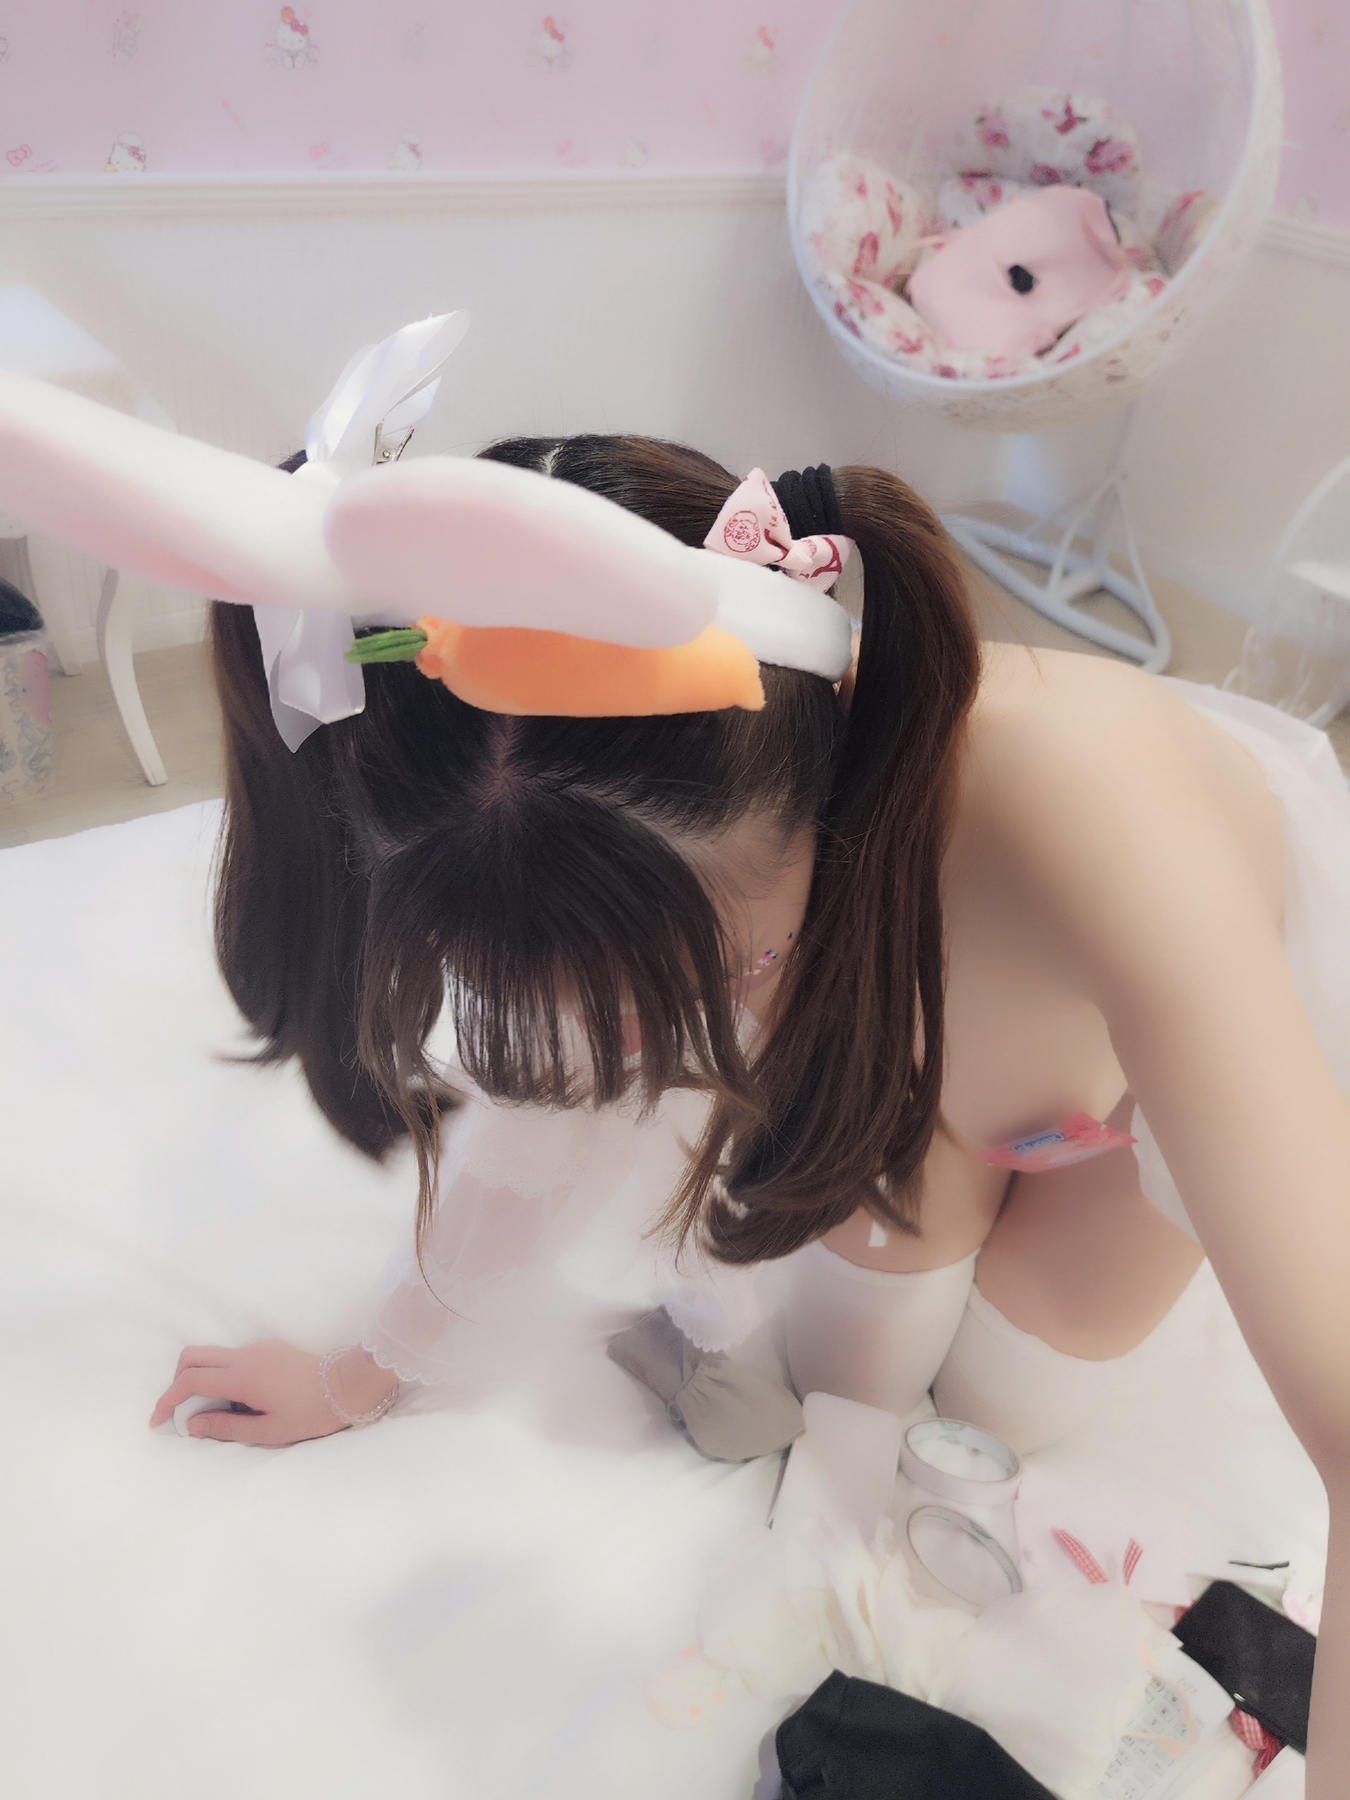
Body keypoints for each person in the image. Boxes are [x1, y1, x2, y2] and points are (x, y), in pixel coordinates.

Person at [0, 357, 1347, 1779]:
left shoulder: (1102, 819)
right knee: (868, 1408)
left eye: (690, 982)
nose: (629, 1052)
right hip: (912, 1072)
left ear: (811, 800)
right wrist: (363, 1374)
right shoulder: (581, 854)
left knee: (1022, 1406)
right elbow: (529, 1137)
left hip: (1114, 1113)